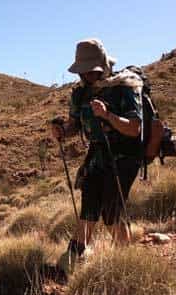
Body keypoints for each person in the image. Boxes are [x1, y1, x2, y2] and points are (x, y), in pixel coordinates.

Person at [50, 38, 143, 261]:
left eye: (94, 71)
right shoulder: (80, 94)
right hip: (98, 154)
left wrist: (107, 116)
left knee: (111, 211)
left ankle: (124, 262)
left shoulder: (125, 87)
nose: (89, 76)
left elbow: (135, 129)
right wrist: (62, 131)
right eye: (85, 72)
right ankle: (72, 260)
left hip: (125, 153)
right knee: (89, 205)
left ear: (103, 66)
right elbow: (75, 125)